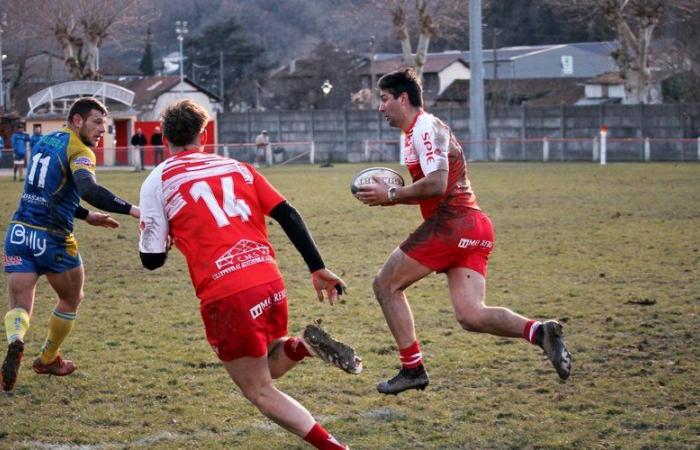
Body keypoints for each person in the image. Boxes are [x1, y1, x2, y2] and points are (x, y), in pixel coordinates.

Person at [138, 99, 360, 450]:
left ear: (163, 136)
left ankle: (335, 447)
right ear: (204, 134)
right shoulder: (237, 167)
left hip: (228, 293)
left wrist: (164, 236)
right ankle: (301, 347)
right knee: (266, 367)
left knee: (259, 389)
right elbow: (287, 213)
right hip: (268, 280)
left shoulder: (159, 179)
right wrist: (316, 267)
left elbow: (151, 260)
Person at [356, 68, 572, 395]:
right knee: (471, 315)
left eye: (384, 99)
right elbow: (435, 187)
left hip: (451, 223)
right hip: (474, 225)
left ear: (403, 98)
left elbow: (437, 183)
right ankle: (539, 332)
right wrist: (392, 199)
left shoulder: (423, 127)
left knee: (385, 284)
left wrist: (392, 195)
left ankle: (412, 368)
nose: (380, 107)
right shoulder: (419, 132)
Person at [1, 97, 140, 392]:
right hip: (54, 239)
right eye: (97, 122)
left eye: (106, 124)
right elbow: (88, 188)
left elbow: (51, 190)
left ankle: (15, 341)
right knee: (72, 298)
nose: (103, 129)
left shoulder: (46, 140)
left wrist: (87, 216)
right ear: (77, 121)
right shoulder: (80, 149)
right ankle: (48, 358)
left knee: (20, 305)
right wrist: (133, 210)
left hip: (19, 233)